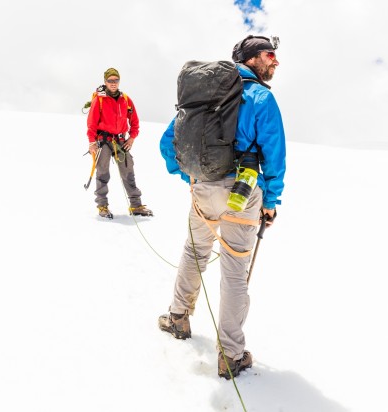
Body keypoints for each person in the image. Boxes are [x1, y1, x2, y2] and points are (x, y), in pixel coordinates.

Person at [157, 35, 286, 379]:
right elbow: (274, 157)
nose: (275, 61)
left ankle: (178, 318)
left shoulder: (204, 95)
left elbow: (167, 143)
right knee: (233, 270)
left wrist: (192, 178)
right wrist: (270, 204)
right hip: (242, 193)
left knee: (195, 252)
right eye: (269, 54)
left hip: (203, 189)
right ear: (251, 58)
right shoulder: (260, 97)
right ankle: (230, 355)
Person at [86, 68, 153, 219]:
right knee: (102, 174)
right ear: (105, 82)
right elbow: (91, 124)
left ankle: (136, 206)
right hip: (103, 141)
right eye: (110, 80)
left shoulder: (126, 99)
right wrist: (92, 142)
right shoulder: (100, 100)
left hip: (121, 141)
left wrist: (132, 138)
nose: (113, 83)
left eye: (116, 80)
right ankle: (102, 206)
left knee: (129, 173)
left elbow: (134, 122)